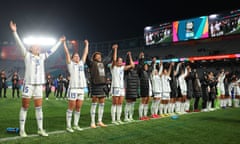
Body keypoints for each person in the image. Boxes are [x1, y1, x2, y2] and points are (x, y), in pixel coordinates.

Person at [10, 21, 63, 137]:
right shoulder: (27, 55)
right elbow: (19, 44)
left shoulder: (43, 56)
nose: (38, 47)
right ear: (30, 49)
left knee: (39, 108)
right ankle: (22, 130)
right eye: (35, 46)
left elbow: (52, 50)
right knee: (25, 107)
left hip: (39, 85)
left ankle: (40, 129)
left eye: (39, 47)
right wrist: (15, 32)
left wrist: (59, 42)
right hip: (28, 85)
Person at [63, 36, 89, 132]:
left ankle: (76, 124)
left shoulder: (81, 63)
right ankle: (68, 126)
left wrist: (87, 45)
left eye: (78, 56)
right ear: (72, 58)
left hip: (81, 89)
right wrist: (64, 44)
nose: (77, 57)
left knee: (78, 108)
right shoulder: (70, 64)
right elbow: (66, 53)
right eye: (75, 56)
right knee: (71, 107)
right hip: (73, 88)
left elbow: (85, 53)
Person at [86, 48, 112, 128]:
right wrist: (86, 48)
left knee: (102, 104)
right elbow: (86, 58)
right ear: (94, 57)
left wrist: (113, 50)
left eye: (100, 56)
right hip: (95, 85)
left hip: (103, 85)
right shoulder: (91, 63)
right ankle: (92, 122)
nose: (99, 57)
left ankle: (100, 121)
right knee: (94, 104)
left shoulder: (103, 63)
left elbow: (108, 58)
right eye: (97, 56)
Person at [110, 44, 134, 125]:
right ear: (116, 62)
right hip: (115, 87)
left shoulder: (122, 68)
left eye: (121, 61)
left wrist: (130, 56)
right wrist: (115, 49)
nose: (120, 62)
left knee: (120, 103)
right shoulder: (113, 67)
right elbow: (113, 59)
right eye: (119, 61)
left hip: (121, 87)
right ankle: (113, 120)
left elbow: (132, 65)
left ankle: (118, 119)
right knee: (115, 103)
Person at [124, 51, 139, 122]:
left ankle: (131, 116)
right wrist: (129, 56)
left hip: (134, 89)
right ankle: (126, 117)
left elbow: (133, 65)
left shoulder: (135, 71)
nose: (133, 64)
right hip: (129, 88)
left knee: (132, 104)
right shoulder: (127, 71)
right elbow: (131, 64)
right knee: (128, 103)